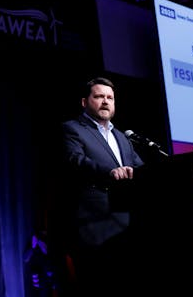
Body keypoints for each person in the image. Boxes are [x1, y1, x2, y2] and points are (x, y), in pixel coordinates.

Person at [52, 76, 145, 296]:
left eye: (110, 98)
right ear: (85, 102)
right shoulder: (72, 129)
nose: (105, 101)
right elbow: (75, 160)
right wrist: (109, 172)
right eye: (99, 96)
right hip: (94, 226)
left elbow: (140, 168)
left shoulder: (123, 138)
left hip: (126, 226)